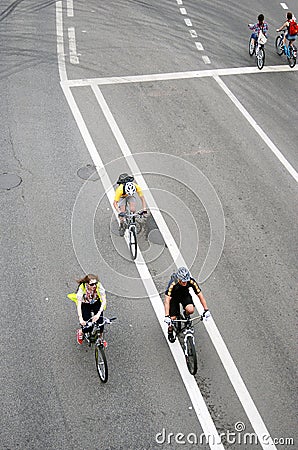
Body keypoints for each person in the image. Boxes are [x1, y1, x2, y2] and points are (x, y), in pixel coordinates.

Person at [164, 267, 210, 343]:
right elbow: (167, 300)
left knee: (191, 309)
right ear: (179, 279)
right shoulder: (173, 283)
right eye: (183, 282)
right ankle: (170, 331)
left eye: (186, 281)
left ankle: (186, 314)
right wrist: (167, 316)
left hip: (184, 296)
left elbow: (200, 295)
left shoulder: (191, 281)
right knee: (172, 318)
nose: (185, 283)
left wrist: (206, 309)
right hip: (174, 298)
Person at [75, 274, 107, 345]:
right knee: (88, 326)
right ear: (87, 284)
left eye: (95, 283)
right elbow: (79, 305)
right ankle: (81, 331)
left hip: (96, 302)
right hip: (86, 304)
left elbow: (104, 301)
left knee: (101, 323)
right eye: (92, 284)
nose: (94, 286)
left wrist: (98, 314)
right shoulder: (82, 288)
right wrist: (80, 318)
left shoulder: (99, 286)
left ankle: (100, 338)